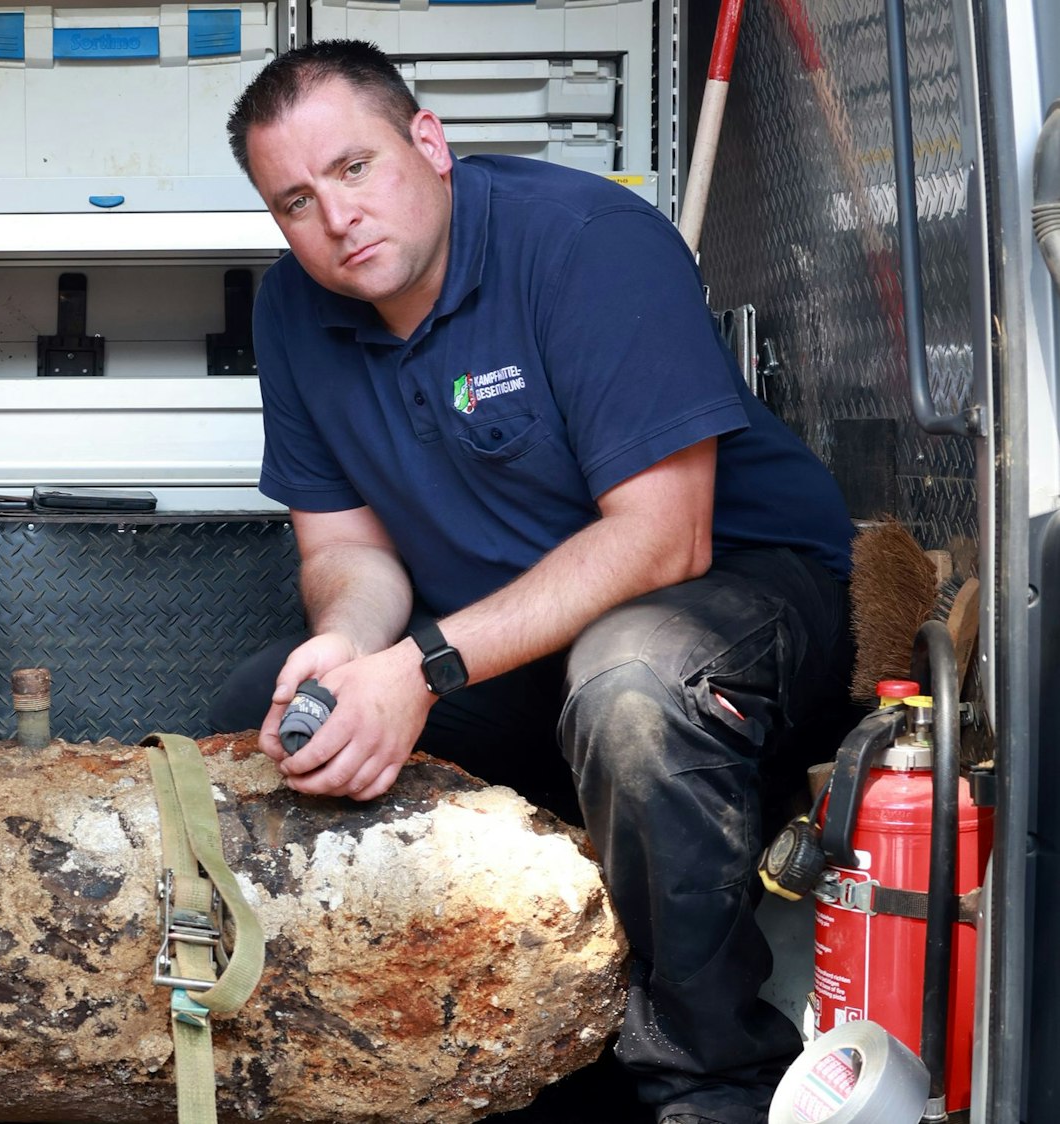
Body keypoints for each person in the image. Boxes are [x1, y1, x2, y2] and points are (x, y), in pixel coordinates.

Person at [210, 40, 857, 1124]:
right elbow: (347, 552)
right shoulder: (294, 309)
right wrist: (346, 646)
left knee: (632, 685)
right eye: (296, 200)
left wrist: (420, 665)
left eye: (356, 168)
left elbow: (663, 538)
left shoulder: (587, 243)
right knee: (266, 711)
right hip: (516, 637)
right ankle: (386, 1053)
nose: (336, 217)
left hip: (742, 600)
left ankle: (713, 1079)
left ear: (429, 141)